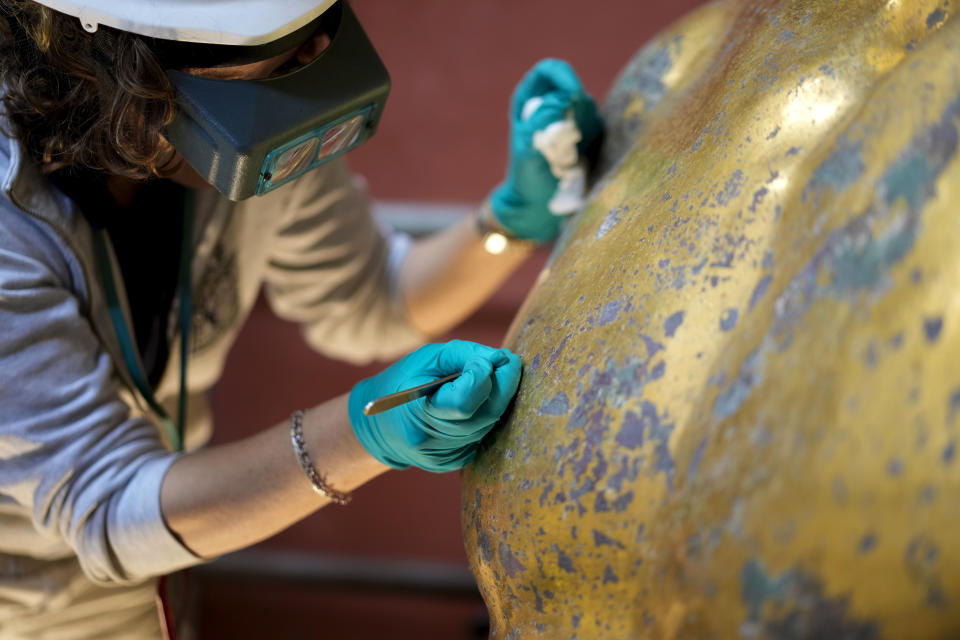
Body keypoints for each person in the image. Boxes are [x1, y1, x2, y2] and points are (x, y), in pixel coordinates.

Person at [0, 0, 602, 637]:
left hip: (156, 586)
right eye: (283, 53)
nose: (316, 60)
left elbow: (372, 295)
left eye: (324, 29)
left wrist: (510, 223)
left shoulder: (250, 116)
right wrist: (360, 436)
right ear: (124, 71)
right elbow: (113, 507)